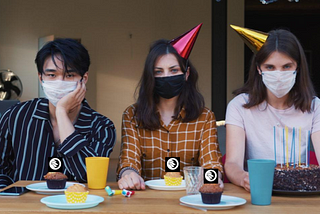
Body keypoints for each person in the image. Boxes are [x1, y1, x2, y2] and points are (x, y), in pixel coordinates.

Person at [117, 24, 224, 190]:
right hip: (147, 200)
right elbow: (129, 160)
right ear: (150, 76)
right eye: (158, 72)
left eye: (173, 70)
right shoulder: (132, 115)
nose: (166, 77)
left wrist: (212, 177)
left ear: (186, 74)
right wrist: (128, 174)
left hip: (189, 198)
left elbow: (212, 163)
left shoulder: (205, 116)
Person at [0, 38, 116, 188]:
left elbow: (88, 175)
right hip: (27, 206)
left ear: (84, 79)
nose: (60, 82)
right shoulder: (16, 116)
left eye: (69, 75)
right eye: (52, 75)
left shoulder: (102, 127)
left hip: (77, 206)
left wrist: (61, 113)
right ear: (41, 78)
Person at [225, 26, 320, 192]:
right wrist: (244, 178)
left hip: (301, 195)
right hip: (258, 191)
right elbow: (232, 163)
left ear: (298, 67)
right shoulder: (238, 106)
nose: (278, 75)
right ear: (258, 68)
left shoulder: (315, 107)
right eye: (270, 67)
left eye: (286, 67)